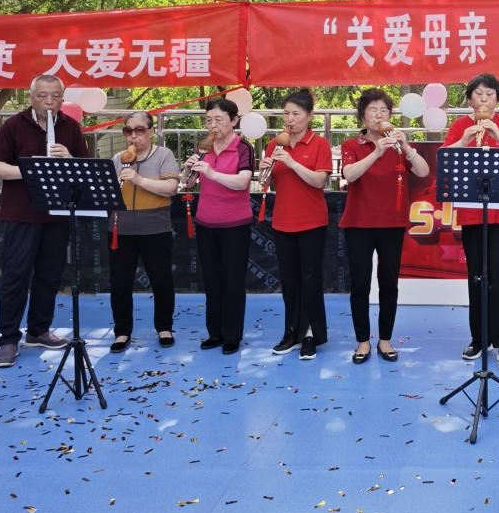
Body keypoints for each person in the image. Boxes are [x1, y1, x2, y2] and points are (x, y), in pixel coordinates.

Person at [0, 74, 89, 368]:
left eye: (55, 96)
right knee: (15, 276)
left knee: (50, 274)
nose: (49, 101)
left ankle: (39, 330)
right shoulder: (14, 125)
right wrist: (32, 170)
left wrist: (68, 159)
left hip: (57, 213)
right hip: (21, 213)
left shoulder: (71, 127)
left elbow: (85, 169)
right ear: (31, 97)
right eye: (43, 95)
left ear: (63, 99)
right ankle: (8, 339)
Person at [441, 73, 499, 371]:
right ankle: (480, 338)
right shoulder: (460, 126)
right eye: (478, 94)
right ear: (469, 99)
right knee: (477, 276)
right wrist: (464, 139)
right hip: (472, 213)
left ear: (498, 100)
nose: (483, 99)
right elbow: (444, 159)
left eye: (489, 94)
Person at [339, 89, 429, 364]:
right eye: (373, 110)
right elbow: (349, 175)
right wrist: (376, 152)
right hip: (359, 223)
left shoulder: (399, 145)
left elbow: (424, 171)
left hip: (392, 223)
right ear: (363, 116)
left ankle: (385, 339)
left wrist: (407, 148)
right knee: (360, 284)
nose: (379, 115)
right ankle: (363, 341)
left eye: (384, 110)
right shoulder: (351, 145)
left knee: (389, 283)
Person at [262, 88, 332, 361]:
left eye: (296, 114)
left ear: (309, 116)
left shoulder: (319, 144)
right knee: (289, 281)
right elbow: (267, 183)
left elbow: (319, 181)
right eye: (286, 114)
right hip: (283, 221)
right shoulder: (275, 144)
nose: (290, 119)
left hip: (312, 221)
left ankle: (311, 334)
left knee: (310, 280)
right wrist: (265, 171)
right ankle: (291, 332)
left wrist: (292, 163)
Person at [185, 98, 254, 355]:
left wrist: (212, 173)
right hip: (206, 222)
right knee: (212, 280)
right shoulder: (204, 147)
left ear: (234, 121)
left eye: (218, 120)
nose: (213, 125)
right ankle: (214, 332)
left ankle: (232, 335)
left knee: (233, 280)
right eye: (208, 120)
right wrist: (188, 171)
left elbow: (243, 182)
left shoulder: (243, 148)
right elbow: (189, 184)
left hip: (235, 224)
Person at [108, 110, 180, 353]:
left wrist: (138, 179)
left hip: (154, 227)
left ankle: (164, 327)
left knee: (161, 280)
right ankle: (122, 331)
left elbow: (171, 188)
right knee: (120, 282)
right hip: (120, 227)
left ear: (151, 132)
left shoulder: (164, 155)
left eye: (139, 130)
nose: (133, 136)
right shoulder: (118, 158)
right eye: (128, 131)